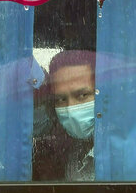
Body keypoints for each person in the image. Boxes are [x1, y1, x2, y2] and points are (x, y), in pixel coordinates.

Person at [33, 50, 96, 181]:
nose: (70, 109)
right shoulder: (75, 150)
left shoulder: (124, 154)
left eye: (82, 95)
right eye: (61, 99)